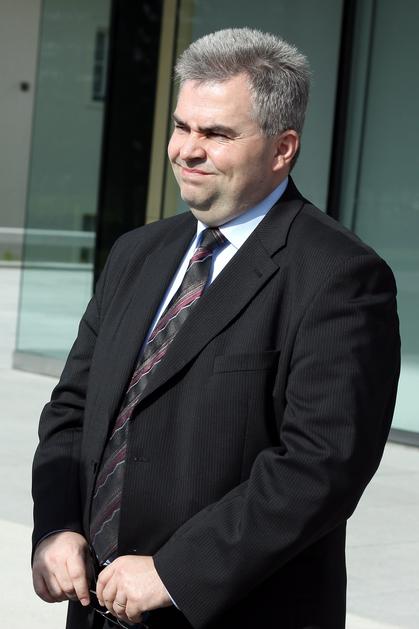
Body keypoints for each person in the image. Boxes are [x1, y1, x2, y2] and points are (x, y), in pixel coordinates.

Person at [31, 28, 400, 629]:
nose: (186, 150)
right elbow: (73, 409)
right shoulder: (136, 253)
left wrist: (176, 573)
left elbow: (322, 465)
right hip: (96, 608)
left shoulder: (339, 276)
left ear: (282, 149)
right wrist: (57, 526)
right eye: (182, 126)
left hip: (234, 613)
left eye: (217, 134)